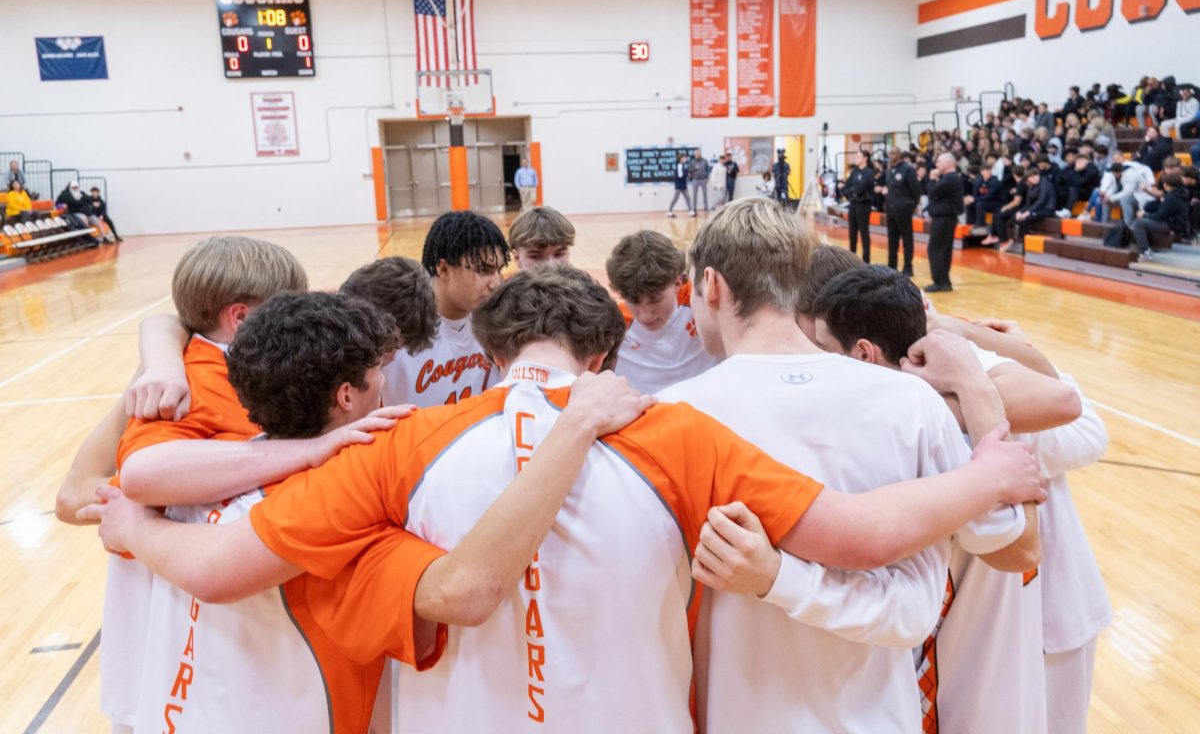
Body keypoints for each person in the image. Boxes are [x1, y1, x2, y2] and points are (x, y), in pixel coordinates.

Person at [92, 265, 1043, 733]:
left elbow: (217, 569)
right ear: (605, 359)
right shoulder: (672, 430)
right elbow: (857, 536)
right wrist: (987, 471)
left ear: (493, 353)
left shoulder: (395, 446)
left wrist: (129, 521)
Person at [655, 201, 1040, 734]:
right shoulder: (909, 401)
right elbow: (1003, 553)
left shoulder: (673, 415)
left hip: (739, 714)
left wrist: (779, 577)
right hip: (881, 715)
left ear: (712, 286)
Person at [61, 236, 308, 734]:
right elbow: (79, 495)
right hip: (175, 614)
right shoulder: (180, 392)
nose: (297, 319)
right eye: (287, 308)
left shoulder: (184, 363)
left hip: (184, 609)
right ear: (240, 317)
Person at [810, 267, 1059, 734]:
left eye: (824, 349)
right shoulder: (971, 408)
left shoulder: (924, 433)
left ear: (863, 353)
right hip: (960, 656)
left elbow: (1023, 551)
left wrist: (971, 376)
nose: (817, 361)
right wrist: (971, 380)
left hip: (952, 671)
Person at [927, 313, 1111, 734]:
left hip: (1026, 621)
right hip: (1020, 617)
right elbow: (1085, 425)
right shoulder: (997, 413)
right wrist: (1015, 355)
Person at [384, 210, 509, 407]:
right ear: (443, 269)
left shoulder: (499, 323)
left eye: (499, 270)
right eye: (483, 270)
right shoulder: (396, 328)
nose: (495, 283)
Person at [605, 229, 719, 394]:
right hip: (648, 412)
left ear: (677, 283)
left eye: (655, 300)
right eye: (634, 301)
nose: (645, 315)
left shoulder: (706, 300)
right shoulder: (613, 324)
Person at [925, 152, 963, 292]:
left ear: (948, 163)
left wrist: (932, 179)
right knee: (944, 250)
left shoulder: (950, 179)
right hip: (945, 218)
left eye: (940, 161)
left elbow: (933, 192)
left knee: (935, 249)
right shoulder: (949, 178)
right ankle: (944, 281)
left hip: (944, 218)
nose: (937, 164)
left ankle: (940, 281)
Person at [1131, 173, 1189, 261]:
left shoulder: (1171, 198)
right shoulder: (1181, 192)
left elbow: (1159, 216)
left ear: (1167, 185)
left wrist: (1144, 215)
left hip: (1173, 226)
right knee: (1145, 219)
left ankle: (1145, 252)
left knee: (1139, 223)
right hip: (1178, 224)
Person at [883, 150, 921, 276]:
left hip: (904, 209)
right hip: (891, 208)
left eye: (893, 153)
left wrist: (912, 205)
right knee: (892, 238)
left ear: (899, 155)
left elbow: (916, 189)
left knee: (906, 239)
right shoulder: (889, 170)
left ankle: (908, 267)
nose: (891, 156)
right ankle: (891, 266)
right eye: (890, 154)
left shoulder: (908, 169)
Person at [1001, 168, 1055, 252]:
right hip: (1036, 209)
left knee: (1025, 218)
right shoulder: (1030, 186)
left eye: (1036, 175)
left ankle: (1028, 245)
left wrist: (1029, 212)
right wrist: (1020, 212)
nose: (1035, 178)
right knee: (1017, 218)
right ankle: (1025, 242)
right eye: (1032, 177)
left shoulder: (1045, 184)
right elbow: (1028, 204)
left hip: (1047, 209)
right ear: (1028, 179)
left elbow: (1042, 200)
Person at [507, 206, 574, 269]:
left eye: (558, 254)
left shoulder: (580, 280)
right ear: (517, 258)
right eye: (536, 257)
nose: (551, 266)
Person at [844, 151, 875, 262]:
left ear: (865, 158)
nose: (856, 158)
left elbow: (861, 187)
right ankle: (851, 259)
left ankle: (866, 261)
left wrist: (853, 191)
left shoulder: (869, 172)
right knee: (852, 232)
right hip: (853, 204)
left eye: (858, 156)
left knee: (864, 233)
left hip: (864, 205)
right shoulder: (855, 172)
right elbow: (847, 186)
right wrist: (851, 192)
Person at [668, 153, 692, 218]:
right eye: (684, 158)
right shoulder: (679, 165)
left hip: (683, 184)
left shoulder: (683, 165)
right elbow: (680, 175)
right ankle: (669, 212)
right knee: (675, 198)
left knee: (688, 198)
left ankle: (691, 212)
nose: (685, 159)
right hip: (679, 185)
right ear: (681, 159)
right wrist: (687, 175)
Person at [689, 149, 711, 213]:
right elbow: (689, 170)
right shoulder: (692, 161)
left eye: (698, 153)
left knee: (705, 194)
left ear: (700, 154)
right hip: (695, 180)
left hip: (703, 180)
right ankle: (694, 208)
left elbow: (708, 169)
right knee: (694, 195)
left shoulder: (705, 161)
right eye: (696, 153)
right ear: (695, 154)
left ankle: (706, 208)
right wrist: (694, 168)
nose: (697, 154)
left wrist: (707, 177)